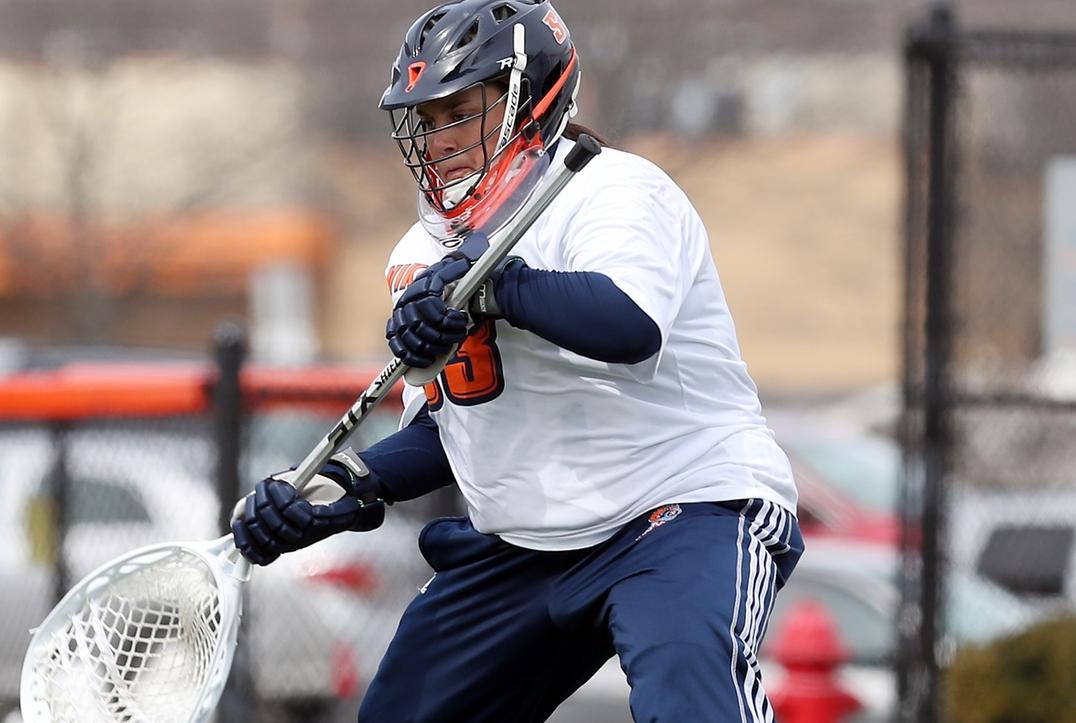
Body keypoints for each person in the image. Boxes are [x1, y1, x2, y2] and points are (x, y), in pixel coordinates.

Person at [231, 1, 803, 721]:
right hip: (526, 542)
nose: (439, 137)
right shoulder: (420, 252)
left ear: (527, 96)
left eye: (458, 111)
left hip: (679, 508)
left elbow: (627, 324)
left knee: (690, 692)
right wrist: (342, 489)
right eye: (426, 119)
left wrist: (493, 288)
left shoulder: (611, 188)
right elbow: (448, 428)